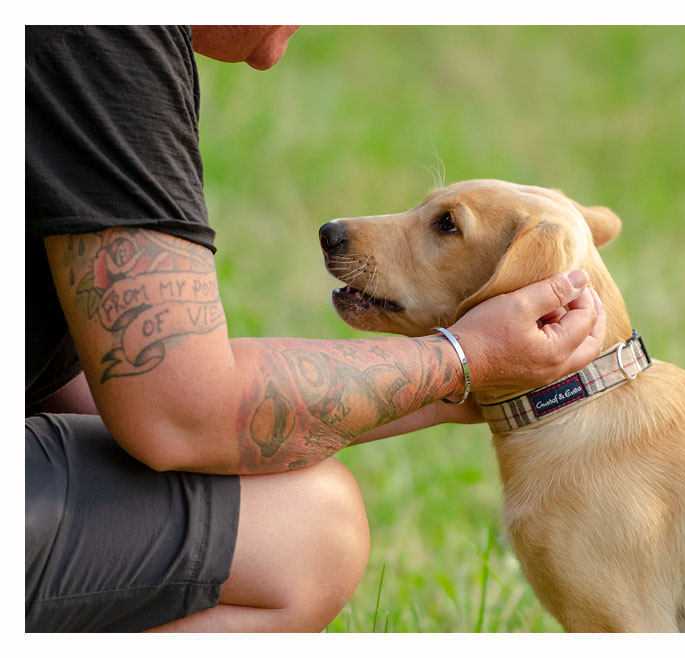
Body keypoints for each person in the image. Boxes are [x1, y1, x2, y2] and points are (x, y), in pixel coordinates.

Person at [25, 25, 606, 632]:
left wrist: (464, 374)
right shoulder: (101, 37)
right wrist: (464, 359)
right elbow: (182, 409)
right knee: (309, 530)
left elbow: (124, 389)